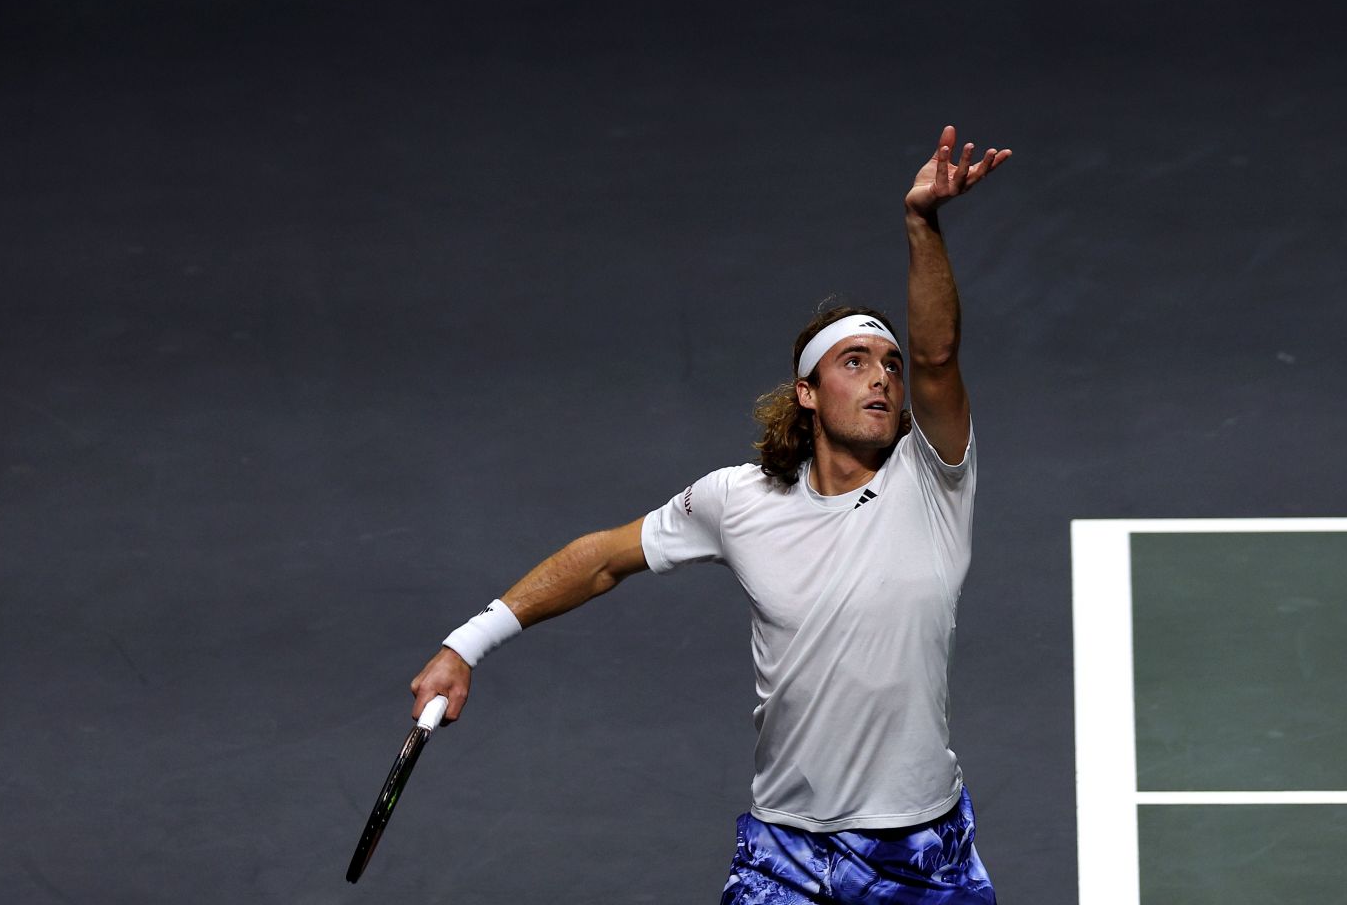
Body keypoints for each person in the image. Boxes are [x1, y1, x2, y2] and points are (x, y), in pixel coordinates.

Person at [408, 124, 1012, 904]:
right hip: (783, 852)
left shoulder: (932, 483)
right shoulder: (738, 500)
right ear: (806, 392)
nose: (882, 379)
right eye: (854, 361)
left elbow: (936, 357)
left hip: (919, 855)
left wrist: (921, 222)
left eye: (888, 365)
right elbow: (602, 559)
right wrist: (466, 643)